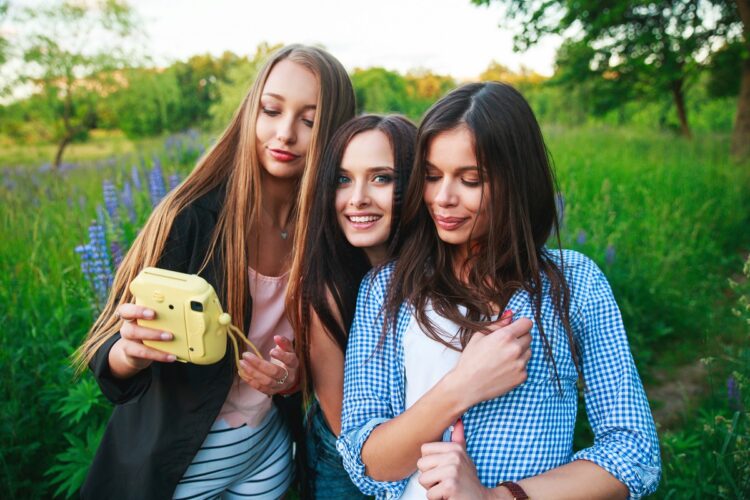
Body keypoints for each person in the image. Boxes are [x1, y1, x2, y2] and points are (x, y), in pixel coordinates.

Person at [338, 82, 661, 499]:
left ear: (516, 180)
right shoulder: (388, 288)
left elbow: (634, 453)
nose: (443, 198)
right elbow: (369, 463)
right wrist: (462, 386)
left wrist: (497, 497)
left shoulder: (574, 284)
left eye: (470, 180)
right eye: (432, 176)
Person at [75, 44, 355, 500]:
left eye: (310, 120)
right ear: (251, 112)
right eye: (271, 110)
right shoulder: (189, 217)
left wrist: (290, 378)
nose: (285, 133)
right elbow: (105, 350)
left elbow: (320, 360)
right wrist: (130, 353)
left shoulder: (330, 229)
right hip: (178, 460)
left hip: (266, 455)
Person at [286, 114, 417, 498]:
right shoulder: (326, 288)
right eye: (343, 179)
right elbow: (354, 438)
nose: (357, 197)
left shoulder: (438, 273)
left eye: (381, 178)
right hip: (345, 462)